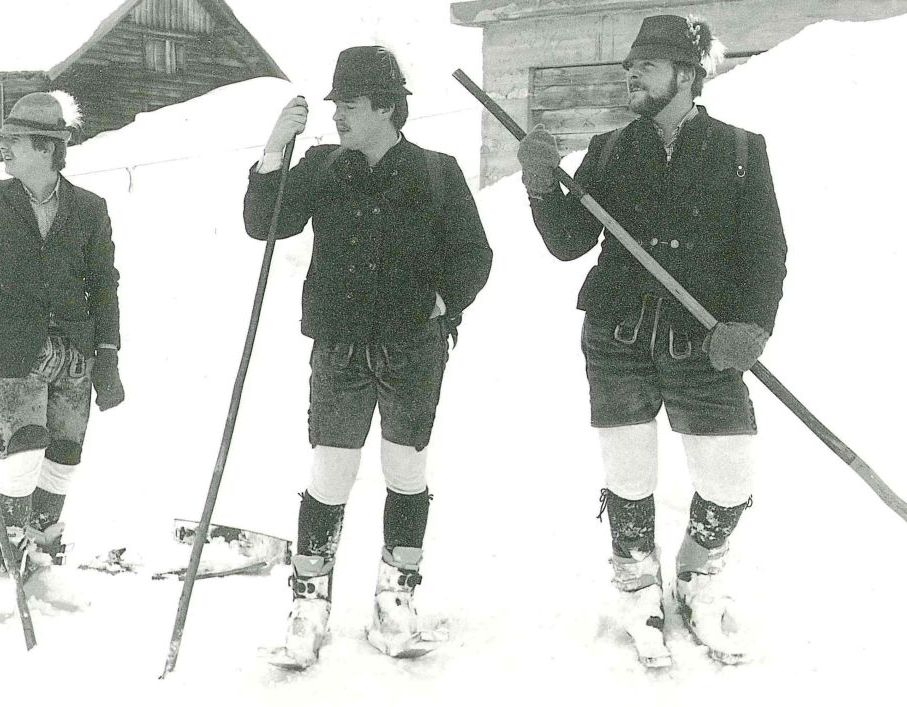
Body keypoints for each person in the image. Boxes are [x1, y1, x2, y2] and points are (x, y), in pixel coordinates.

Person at [516, 15, 787, 666]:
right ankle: (638, 586)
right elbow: (568, 242)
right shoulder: (610, 150)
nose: (632, 75)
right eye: (630, 67)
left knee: (729, 475)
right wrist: (539, 183)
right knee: (628, 474)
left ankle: (696, 574)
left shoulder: (741, 150)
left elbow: (765, 251)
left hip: (704, 341)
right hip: (619, 335)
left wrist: (751, 325)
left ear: (687, 76)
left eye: (649, 66)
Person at [244, 46, 492, 667]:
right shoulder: (325, 166)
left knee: (406, 469)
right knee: (330, 470)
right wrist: (276, 148)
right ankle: (308, 607)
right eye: (335, 106)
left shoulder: (437, 171)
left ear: (386, 106)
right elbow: (262, 223)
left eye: (349, 105)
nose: (338, 117)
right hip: (339, 344)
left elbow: (476, 254)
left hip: (414, 347)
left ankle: (395, 601)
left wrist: (444, 300)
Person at [0, 91, 125, 615]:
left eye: (12, 141)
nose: (4, 150)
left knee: (63, 456)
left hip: (74, 353)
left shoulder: (89, 208)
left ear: (45, 147)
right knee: (25, 446)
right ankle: (1, 557)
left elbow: (104, 285)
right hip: (11, 345)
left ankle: (39, 553)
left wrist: (108, 354)